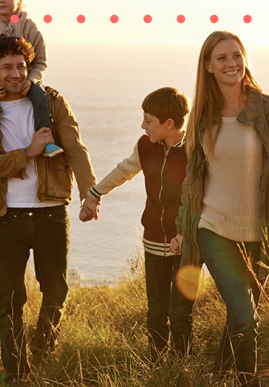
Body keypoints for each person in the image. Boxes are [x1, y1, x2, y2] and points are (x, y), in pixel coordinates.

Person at [170, 30, 269, 386]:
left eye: (236, 55)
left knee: (240, 319)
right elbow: (192, 181)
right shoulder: (202, 119)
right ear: (207, 66)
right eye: (221, 58)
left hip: (261, 234)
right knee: (246, 318)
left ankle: (219, 377)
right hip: (213, 229)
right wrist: (181, 227)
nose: (231, 63)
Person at [0, 36, 96, 386]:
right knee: (10, 300)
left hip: (52, 213)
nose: (16, 73)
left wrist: (90, 193)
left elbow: (76, 149)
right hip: (8, 217)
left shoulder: (51, 102)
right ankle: (16, 373)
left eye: (21, 65)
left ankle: (42, 354)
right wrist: (29, 152)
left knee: (56, 292)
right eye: (7, 67)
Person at [79, 87, 196, 356]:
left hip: (187, 245)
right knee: (156, 310)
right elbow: (125, 170)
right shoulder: (146, 145)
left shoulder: (195, 150)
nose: (142, 125)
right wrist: (95, 194)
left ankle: (182, 368)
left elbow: (201, 197)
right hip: (154, 239)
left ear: (169, 124)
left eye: (148, 120)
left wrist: (185, 234)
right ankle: (156, 366)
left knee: (180, 312)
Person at [0, 0, 62, 158]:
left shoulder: (30, 27)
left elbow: (41, 61)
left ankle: (46, 141)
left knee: (40, 96)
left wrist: (31, 80)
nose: (1, 1)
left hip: (26, 80)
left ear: (18, 0)